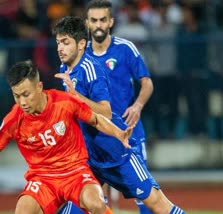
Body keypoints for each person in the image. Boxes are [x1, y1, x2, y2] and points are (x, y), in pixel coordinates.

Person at [0, 59, 135, 214]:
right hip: (42, 179)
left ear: (39, 87)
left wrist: (119, 133)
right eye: (17, 96)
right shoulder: (14, 119)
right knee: (23, 211)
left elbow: (96, 120)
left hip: (75, 172)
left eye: (26, 94)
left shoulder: (64, 102)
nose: (22, 102)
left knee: (96, 203)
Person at [52, 16, 185, 214]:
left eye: (65, 42)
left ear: (81, 44)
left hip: (117, 154)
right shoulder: (65, 69)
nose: (60, 48)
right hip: (91, 158)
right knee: (73, 209)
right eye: (58, 43)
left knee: (157, 204)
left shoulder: (91, 70)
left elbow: (104, 110)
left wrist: (75, 97)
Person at [84, 0, 153, 213]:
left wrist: (138, 105)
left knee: (145, 193)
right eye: (93, 20)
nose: (98, 25)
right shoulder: (81, 55)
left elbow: (147, 82)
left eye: (102, 20)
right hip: (96, 135)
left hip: (128, 129)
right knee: (94, 195)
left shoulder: (125, 48)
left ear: (111, 22)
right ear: (87, 23)